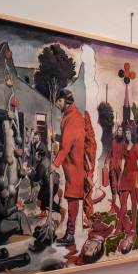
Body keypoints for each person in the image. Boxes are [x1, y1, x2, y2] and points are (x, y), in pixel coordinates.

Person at [50, 88, 85, 247]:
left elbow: (65, 147)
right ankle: (69, 233)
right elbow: (68, 138)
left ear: (67, 101)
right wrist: (57, 137)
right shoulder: (73, 115)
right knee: (72, 198)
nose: (58, 103)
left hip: (74, 165)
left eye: (60, 101)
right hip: (73, 164)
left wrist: (54, 164)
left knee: (72, 199)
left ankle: (70, 235)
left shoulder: (72, 118)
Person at [116, 127, 138, 254]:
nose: (127, 135)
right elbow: (124, 163)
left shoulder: (136, 147)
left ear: (133, 134)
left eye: (129, 133)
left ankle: (134, 228)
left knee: (134, 204)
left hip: (134, 176)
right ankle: (119, 227)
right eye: (126, 133)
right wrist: (120, 178)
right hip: (126, 176)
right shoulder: (125, 146)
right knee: (123, 203)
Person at [27, 149, 65, 222]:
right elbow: (39, 172)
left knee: (47, 201)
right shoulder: (45, 160)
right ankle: (43, 212)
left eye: (36, 156)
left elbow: (36, 178)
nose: (35, 157)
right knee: (40, 196)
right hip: (48, 183)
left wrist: (28, 174)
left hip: (51, 184)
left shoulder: (43, 164)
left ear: (40, 156)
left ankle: (61, 210)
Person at [104, 125, 126, 214]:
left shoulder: (124, 143)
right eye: (118, 130)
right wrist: (105, 162)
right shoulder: (113, 141)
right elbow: (110, 152)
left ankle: (122, 209)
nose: (119, 132)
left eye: (121, 130)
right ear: (117, 131)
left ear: (122, 132)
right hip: (112, 166)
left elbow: (126, 155)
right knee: (113, 187)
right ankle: (113, 209)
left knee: (119, 189)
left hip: (120, 168)